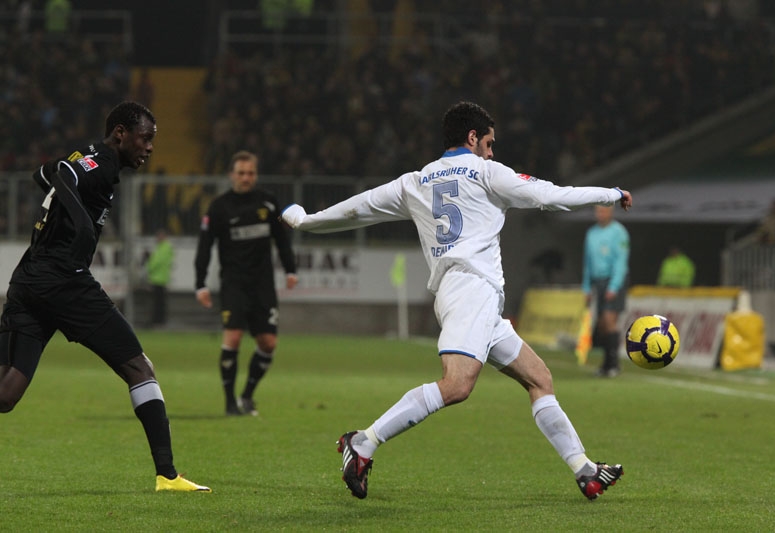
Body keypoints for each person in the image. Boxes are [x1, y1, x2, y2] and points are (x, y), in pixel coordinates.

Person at [280, 101, 632, 501]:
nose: (492, 152)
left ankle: (584, 470)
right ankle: (363, 442)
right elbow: (550, 196)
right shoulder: (486, 173)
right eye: (489, 143)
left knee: (539, 378)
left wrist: (305, 220)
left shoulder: (415, 181)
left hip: (467, 297)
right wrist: (610, 193)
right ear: (472, 137)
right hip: (472, 292)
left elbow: (358, 209)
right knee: (457, 385)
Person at [0, 101, 210, 492]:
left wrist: (74, 209)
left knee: (6, 393)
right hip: (65, 282)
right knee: (140, 368)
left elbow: (43, 172)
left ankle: (167, 475)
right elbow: (61, 172)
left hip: (28, 280)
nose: (149, 147)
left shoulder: (93, 159)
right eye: (145, 138)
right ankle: (167, 476)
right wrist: (81, 220)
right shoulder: (100, 162)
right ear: (120, 134)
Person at [194, 150, 298, 416]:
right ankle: (230, 403)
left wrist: (290, 269)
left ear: (256, 175)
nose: (246, 178)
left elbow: (282, 239)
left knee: (268, 343)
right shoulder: (219, 207)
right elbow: (205, 246)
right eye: (241, 173)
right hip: (234, 283)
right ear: (232, 175)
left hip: (263, 284)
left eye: (250, 173)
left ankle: (247, 396)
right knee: (233, 337)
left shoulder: (269, 203)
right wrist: (200, 283)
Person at [581, 205, 630, 378]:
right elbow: (587, 262)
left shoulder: (619, 232)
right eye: (598, 211)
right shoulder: (591, 233)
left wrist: (614, 286)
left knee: (609, 320)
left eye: (603, 211)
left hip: (613, 280)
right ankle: (606, 364)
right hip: (598, 281)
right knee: (602, 325)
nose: (600, 214)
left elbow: (621, 261)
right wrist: (587, 287)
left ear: (610, 212)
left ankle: (613, 364)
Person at [146, 228, 174, 327]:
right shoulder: (163, 247)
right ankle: (159, 320)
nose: (157, 238)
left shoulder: (164, 247)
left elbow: (156, 261)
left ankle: (158, 321)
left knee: (158, 302)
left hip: (159, 278)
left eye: (159, 236)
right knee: (159, 301)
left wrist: (149, 267)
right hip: (159, 278)